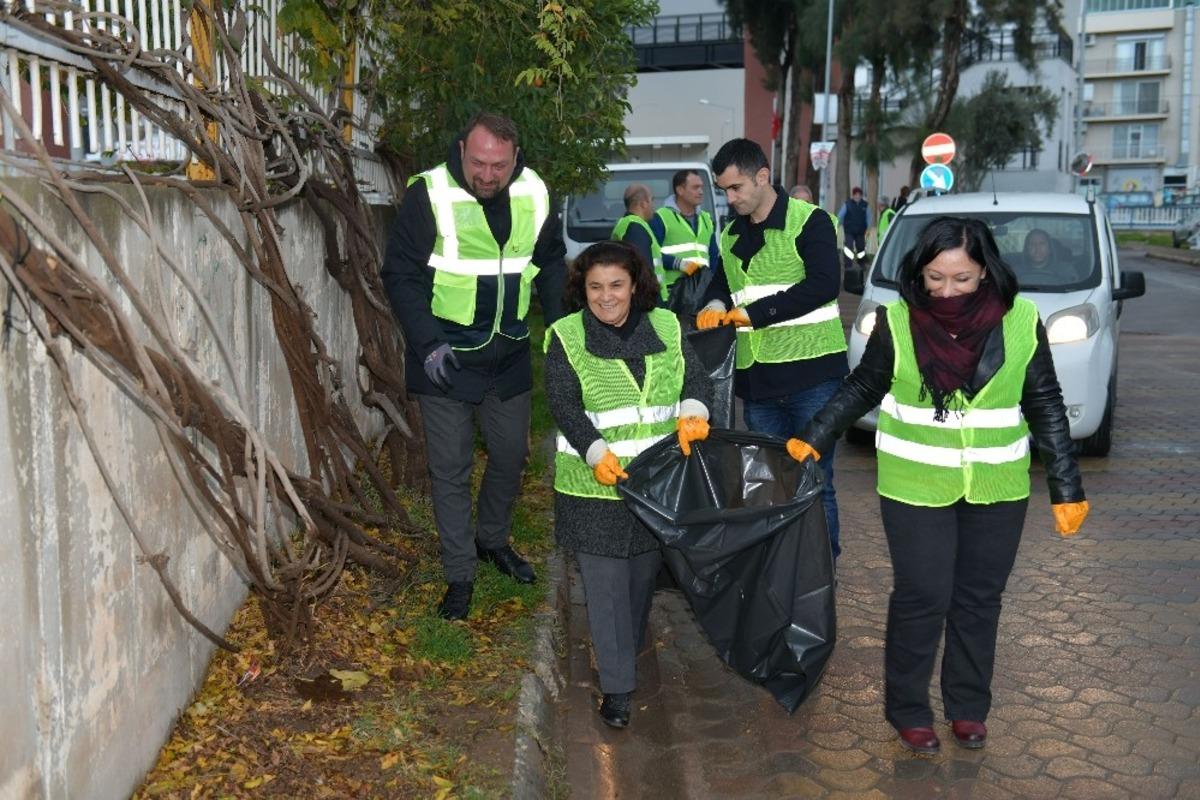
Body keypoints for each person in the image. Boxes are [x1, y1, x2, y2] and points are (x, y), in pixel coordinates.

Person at [787, 216, 1088, 754]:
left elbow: (1043, 400)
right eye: (935, 278)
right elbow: (863, 386)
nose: (947, 291)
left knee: (979, 600)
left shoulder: (1021, 319)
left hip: (998, 487)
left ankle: (969, 708)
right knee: (923, 595)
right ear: (919, 273)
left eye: (962, 279)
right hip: (914, 486)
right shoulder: (898, 321)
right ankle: (909, 710)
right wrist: (814, 436)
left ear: (986, 273)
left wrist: (1066, 485)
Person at [381, 111, 566, 620]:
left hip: (507, 354)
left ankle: (491, 541)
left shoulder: (534, 192)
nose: (488, 175)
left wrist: (563, 328)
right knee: (451, 468)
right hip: (444, 356)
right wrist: (428, 343)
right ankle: (460, 574)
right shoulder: (430, 193)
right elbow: (400, 274)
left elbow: (550, 261)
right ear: (462, 149)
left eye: (499, 166)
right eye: (480, 163)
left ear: (515, 159)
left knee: (509, 456)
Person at [544, 240, 713, 729]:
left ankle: (622, 650)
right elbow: (564, 405)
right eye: (595, 287)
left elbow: (696, 382)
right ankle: (616, 689)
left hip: (654, 487)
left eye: (616, 285)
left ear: (635, 285)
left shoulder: (665, 325)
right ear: (583, 289)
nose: (606, 296)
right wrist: (596, 453)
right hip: (593, 488)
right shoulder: (566, 336)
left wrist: (694, 414)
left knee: (639, 583)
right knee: (607, 589)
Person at [696, 138, 848, 560]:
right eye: (724, 189)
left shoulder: (810, 221)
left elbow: (822, 284)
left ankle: (822, 575)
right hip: (759, 383)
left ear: (763, 177)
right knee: (769, 485)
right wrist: (714, 302)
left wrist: (755, 313)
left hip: (812, 377)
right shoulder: (730, 233)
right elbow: (724, 281)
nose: (730, 198)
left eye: (736, 188)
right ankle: (784, 571)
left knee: (816, 481)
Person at [651, 169, 720, 289]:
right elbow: (651, 253)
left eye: (701, 187)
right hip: (673, 292)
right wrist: (679, 264)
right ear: (680, 190)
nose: (701, 192)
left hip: (702, 290)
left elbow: (713, 257)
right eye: (695, 187)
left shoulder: (706, 218)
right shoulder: (661, 217)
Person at [611, 183, 666, 300]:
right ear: (643, 203)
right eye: (652, 200)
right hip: (648, 300)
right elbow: (642, 271)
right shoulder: (636, 228)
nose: (654, 206)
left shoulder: (626, 223)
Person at [838, 186, 870, 266]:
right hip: (849, 231)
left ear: (861, 195)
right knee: (849, 248)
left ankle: (861, 264)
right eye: (856, 194)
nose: (857, 196)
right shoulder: (847, 204)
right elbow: (840, 216)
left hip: (861, 231)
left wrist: (868, 227)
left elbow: (869, 217)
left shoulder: (865, 205)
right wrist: (842, 224)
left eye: (859, 194)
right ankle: (848, 264)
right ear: (853, 195)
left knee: (861, 248)